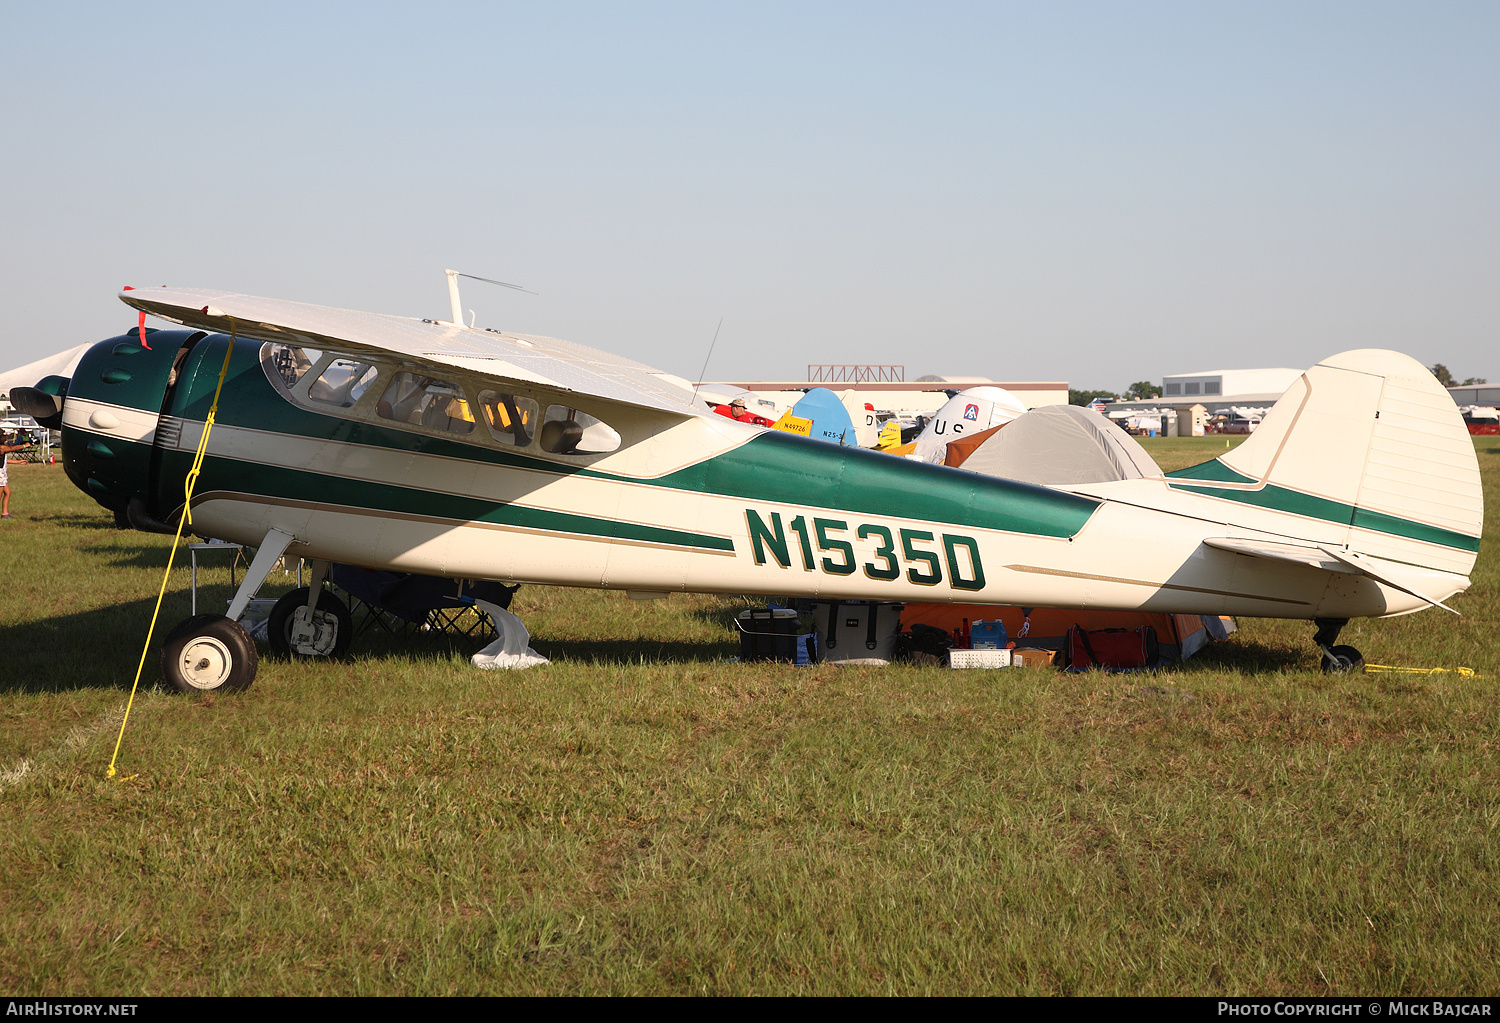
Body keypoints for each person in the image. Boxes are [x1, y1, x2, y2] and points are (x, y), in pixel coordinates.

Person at [0, 430, 33, 519]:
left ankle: (5, 514)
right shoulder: (1, 448)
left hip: (2, 474)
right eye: (4, 436)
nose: (6, 438)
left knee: (8, 492)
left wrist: (18, 462)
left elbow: (5, 460)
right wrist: (24, 445)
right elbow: (12, 448)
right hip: (0, 475)